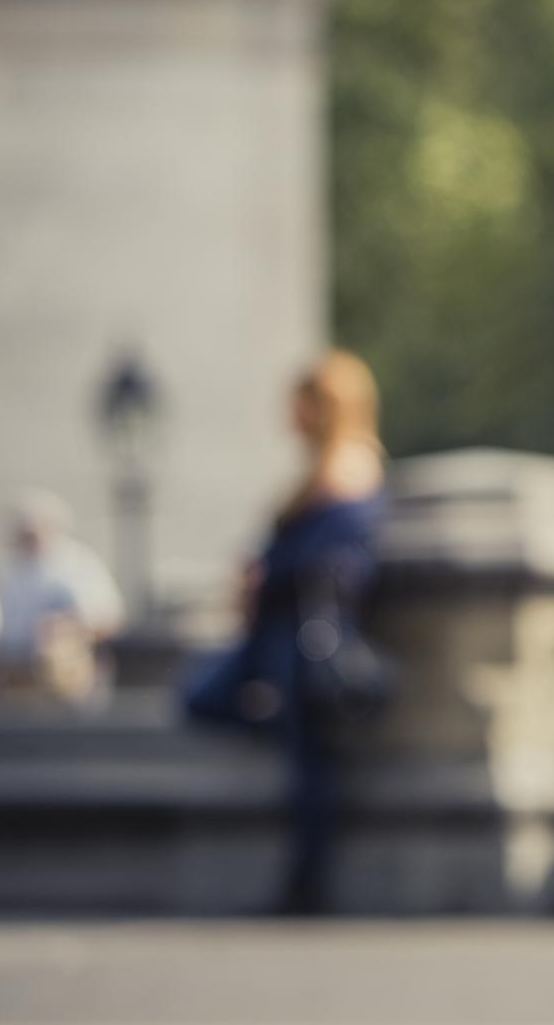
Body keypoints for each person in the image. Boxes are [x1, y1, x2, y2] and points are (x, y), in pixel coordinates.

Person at [182, 350, 388, 915]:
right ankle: (303, 882)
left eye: (298, 401)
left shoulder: (346, 469)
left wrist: (264, 578)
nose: (288, 412)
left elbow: (333, 562)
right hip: (281, 632)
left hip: (301, 636)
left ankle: (306, 886)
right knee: (221, 708)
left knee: (307, 763)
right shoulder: (326, 468)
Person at [0, 492, 127, 708]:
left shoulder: (75, 563)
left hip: (60, 672)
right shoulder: (9, 568)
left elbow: (106, 616)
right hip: (13, 670)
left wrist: (62, 625)